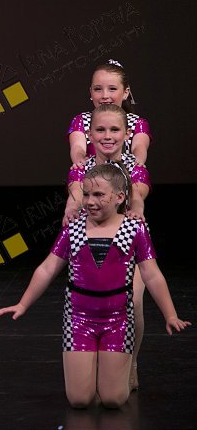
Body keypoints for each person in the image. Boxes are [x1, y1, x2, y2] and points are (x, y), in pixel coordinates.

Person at [0, 164, 190, 408]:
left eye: (98, 195)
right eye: (86, 194)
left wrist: (170, 314)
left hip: (119, 320)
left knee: (113, 399)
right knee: (79, 400)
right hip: (78, 319)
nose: (89, 201)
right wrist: (23, 304)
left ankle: (111, 371)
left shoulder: (135, 229)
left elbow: (152, 275)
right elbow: (47, 268)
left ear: (119, 197)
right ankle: (92, 368)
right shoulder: (73, 227)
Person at [63, 103, 151, 388]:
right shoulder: (81, 168)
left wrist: (136, 208)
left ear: (126, 134)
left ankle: (131, 362)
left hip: (127, 242)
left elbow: (138, 194)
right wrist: (72, 206)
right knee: (91, 304)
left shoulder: (135, 167)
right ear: (90, 135)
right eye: (100, 130)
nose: (107, 136)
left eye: (114, 130)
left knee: (133, 303)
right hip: (91, 245)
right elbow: (75, 192)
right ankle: (94, 365)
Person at [68, 60, 150, 169]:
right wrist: (79, 160)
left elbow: (139, 147)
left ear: (125, 92)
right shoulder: (83, 120)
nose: (105, 95)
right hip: (92, 175)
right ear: (91, 92)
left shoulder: (136, 122)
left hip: (125, 174)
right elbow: (78, 147)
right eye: (98, 89)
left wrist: (137, 162)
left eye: (112, 89)